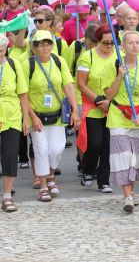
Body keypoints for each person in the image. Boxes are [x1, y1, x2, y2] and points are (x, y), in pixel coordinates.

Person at [23, 30, 80, 202]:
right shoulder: (28, 65)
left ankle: (51, 176)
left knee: (57, 148)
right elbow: (23, 94)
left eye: (48, 43)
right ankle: (42, 186)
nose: (45, 47)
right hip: (38, 116)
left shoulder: (58, 60)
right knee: (41, 150)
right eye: (41, 44)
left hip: (56, 115)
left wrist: (75, 111)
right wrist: (31, 116)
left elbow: (69, 86)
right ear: (34, 47)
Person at [104, 30, 139, 212]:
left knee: (135, 160)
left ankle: (130, 194)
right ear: (123, 46)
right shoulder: (115, 64)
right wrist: (119, 76)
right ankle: (127, 196)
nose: (134, 46)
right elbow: (108, 95)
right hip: (118, 116)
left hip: (138, 118)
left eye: (137, 42)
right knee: (123, 157)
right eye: (130, 43)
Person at [76, 24, 116, 192]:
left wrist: (110, 102)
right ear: (98, 41)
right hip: (93, 105)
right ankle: (87, 169)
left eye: (112, 43)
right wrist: (98, 100)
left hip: (112, 106)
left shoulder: (119, 56)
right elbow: (81, 84)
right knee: (95, 144)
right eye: (105, 43)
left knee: (108, 145)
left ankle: (104, 180)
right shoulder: (87, 57)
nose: (109, 46)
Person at [0, 34, 30, 212]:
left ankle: (7, 194)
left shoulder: (13, 64)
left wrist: (25, 118)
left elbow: (23, 93)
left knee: (10, 155)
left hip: (12, 114)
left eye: (1, 51)